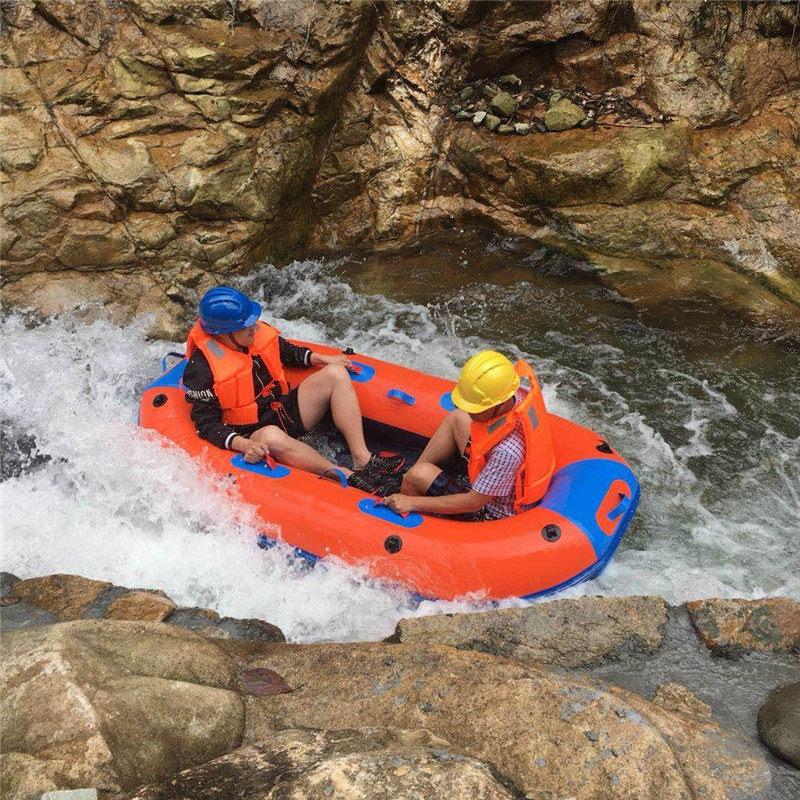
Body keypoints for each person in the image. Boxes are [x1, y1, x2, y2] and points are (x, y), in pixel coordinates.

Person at [182, 286, 403, 479]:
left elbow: (286, 351)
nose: (253, 327)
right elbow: (206, 424)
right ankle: (343, 475)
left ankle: (361, 458)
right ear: (223, 334)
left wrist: (321, 358)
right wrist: (244, 444)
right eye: (245, 326)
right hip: (253, 433)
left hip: (282, 410)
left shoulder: (253, 333)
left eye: (252, 321)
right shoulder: (200, 369)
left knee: (336, 373)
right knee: (270, 434)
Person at [383, 350, 555, 520]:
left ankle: (408, 501)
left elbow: (473, 503)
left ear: (501, 405)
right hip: (492, 483)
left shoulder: (507, 451)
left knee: (419, 474)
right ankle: (407, 478)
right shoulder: (513, 393)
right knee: (457, 418)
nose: (470, 411)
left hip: (489, 512)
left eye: (476, 408)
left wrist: (412, 502)